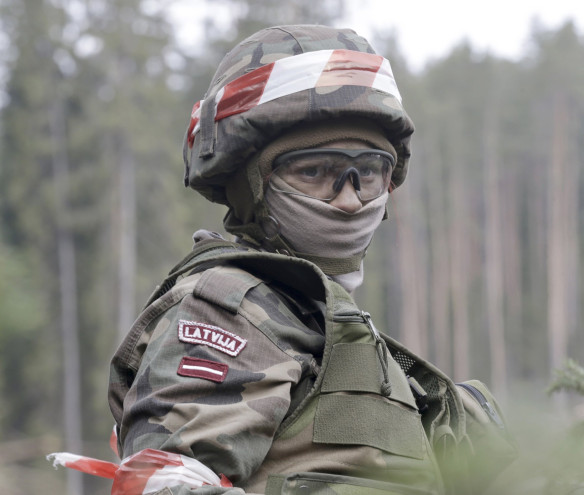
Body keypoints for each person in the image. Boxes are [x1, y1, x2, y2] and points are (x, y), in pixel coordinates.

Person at [51, 24, 515, 495]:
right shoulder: (229, 306)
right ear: (251, 185)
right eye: (316, 171)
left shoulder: (327, 326)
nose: (351, 200)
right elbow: (168, 486)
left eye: (369, 172)